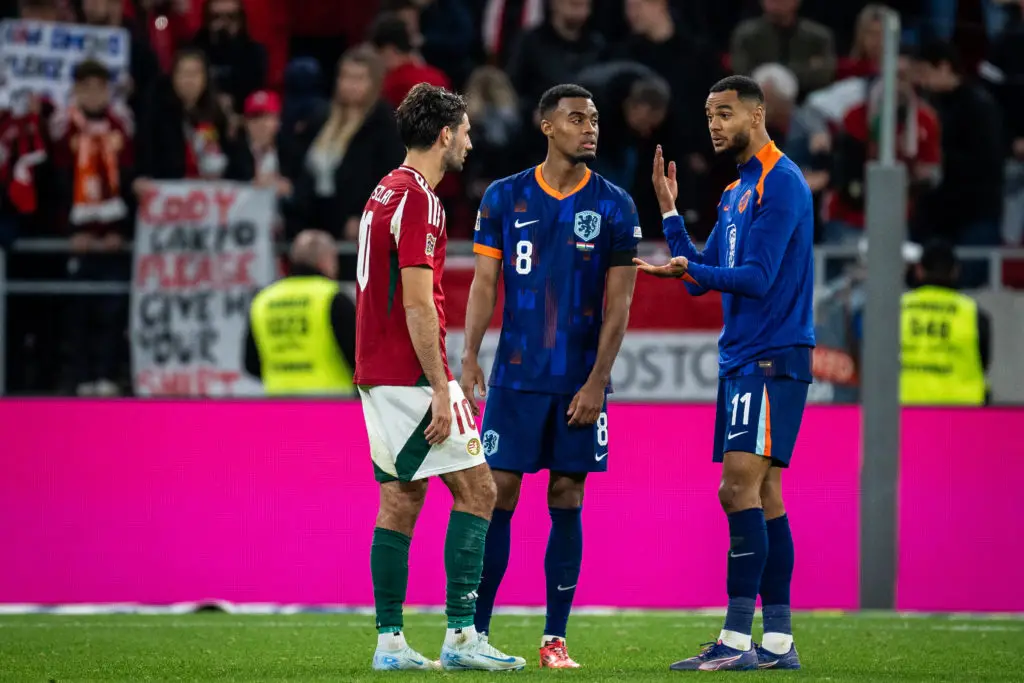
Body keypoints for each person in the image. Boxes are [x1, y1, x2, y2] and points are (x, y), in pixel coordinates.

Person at [634, 75, 815, 671]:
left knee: (735, 488)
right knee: (764, 494)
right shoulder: (737, 192)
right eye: (710, 114)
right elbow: (701, 276)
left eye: (726, 113)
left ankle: (738, 641)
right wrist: (668, 214)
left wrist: (693, 265)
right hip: (743, 356)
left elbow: (757, 278)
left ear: (758, 115)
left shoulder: (780, 183)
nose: (714, 124)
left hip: (772, 353)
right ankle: (780, 643)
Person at [461, 83, 641, 669]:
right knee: (497, 494)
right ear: (546, 126)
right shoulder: (503, 196)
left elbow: (620, 306)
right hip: (515, 376)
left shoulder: (615, 204)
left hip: (577, 381)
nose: (589, 128)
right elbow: (485, 284)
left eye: (593, 119)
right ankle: (475, 634)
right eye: (576, 119)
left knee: (569, 492)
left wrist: (597, 381)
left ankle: (554, 640)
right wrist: (468, 357)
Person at [353, 83, 526, 673]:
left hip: (376, 372)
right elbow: (420, 305)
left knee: (401, 499)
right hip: (412, 375)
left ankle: (390, 643)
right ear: (446, 133)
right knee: (481, 490)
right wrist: (439, 389)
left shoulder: (382, 192)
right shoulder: (422, 200)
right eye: (468, 131)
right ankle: (461, 635)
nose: (472, 142)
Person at [243, 230, 355, 395]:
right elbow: (357, 355)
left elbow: (251, 363)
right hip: (332, 403)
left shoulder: (264, 299)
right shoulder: (333, 297)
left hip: (278, 403)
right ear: (324, 260)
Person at [900, 239, 990, 406]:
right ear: (955, 271)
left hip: (904, 412)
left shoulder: (897, 309)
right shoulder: (973, 313)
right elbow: (983, 363)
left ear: (919, 270)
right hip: (963, 414)